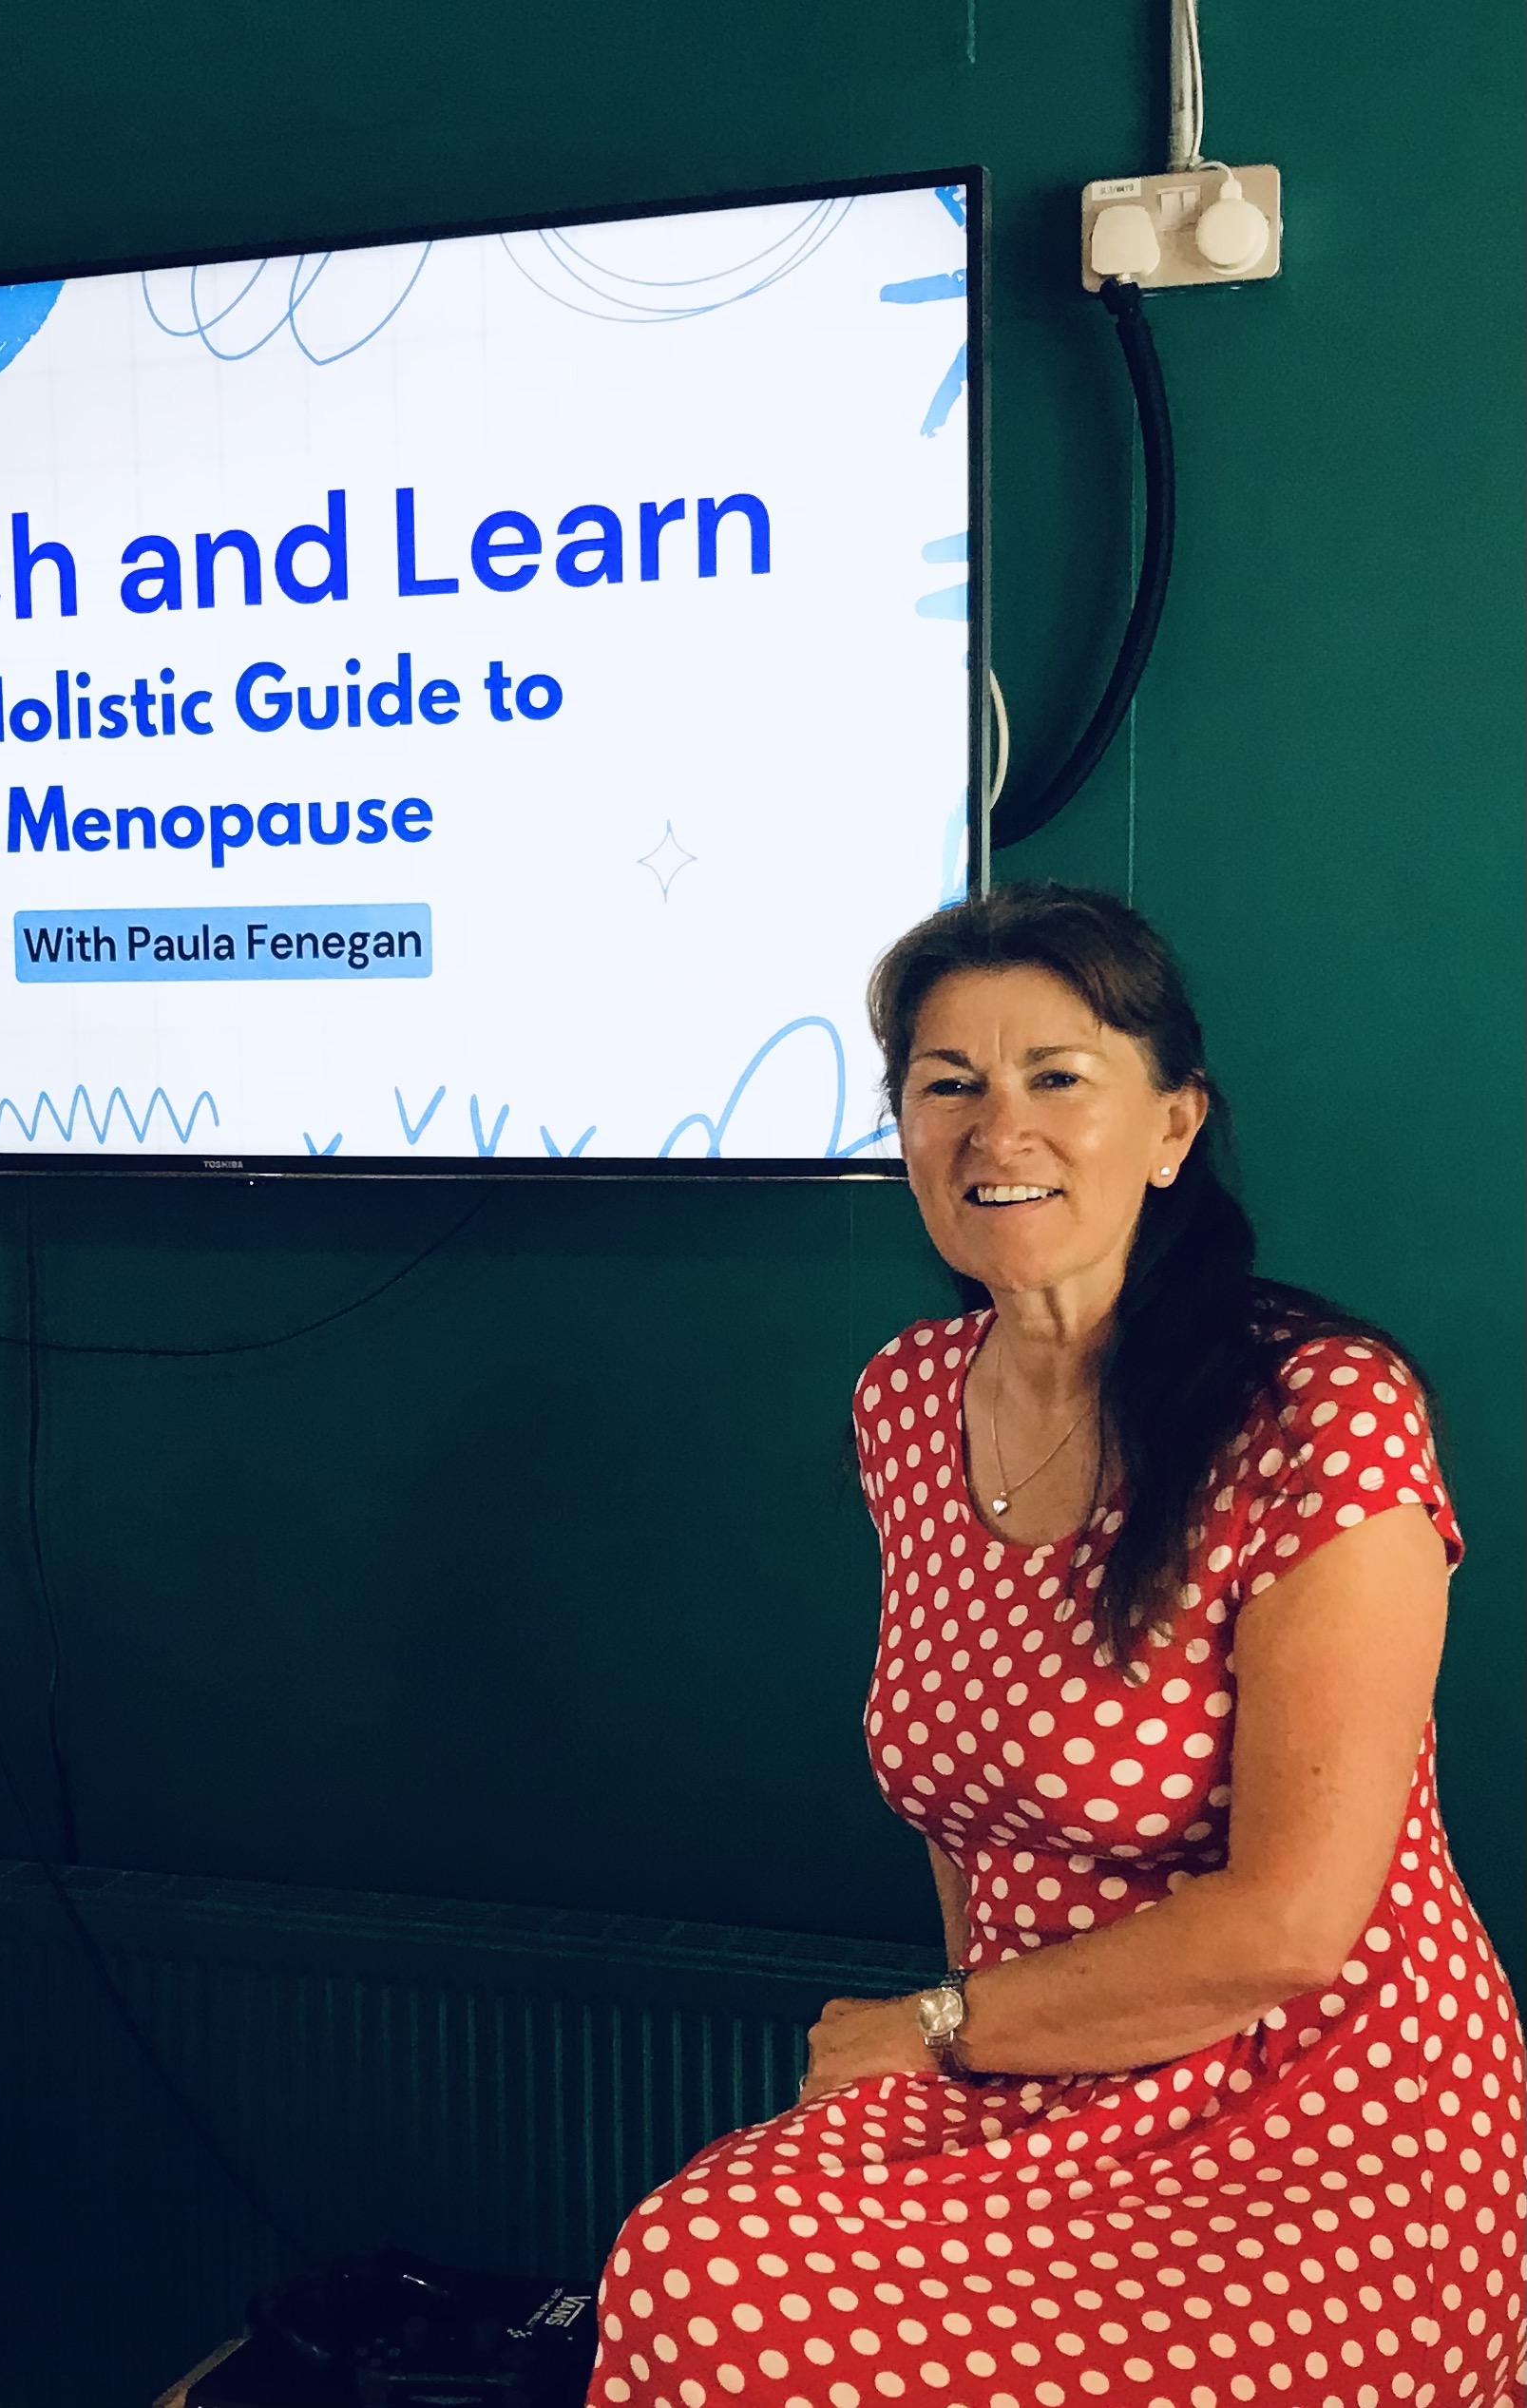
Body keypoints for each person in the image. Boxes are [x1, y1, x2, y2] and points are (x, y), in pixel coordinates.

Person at [588, 884, 1523, 2408]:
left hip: (1324, 2110)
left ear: (1172, 1129)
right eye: (946, 1083)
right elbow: (959, 1800)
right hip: (1028, 2067)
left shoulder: (1322, 1413)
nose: (992, 1130)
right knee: (695, 2270)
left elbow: (1294, 1923)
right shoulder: (906, 1399)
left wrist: (940, 2025)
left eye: (1056, 1078)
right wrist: (978, 2050)